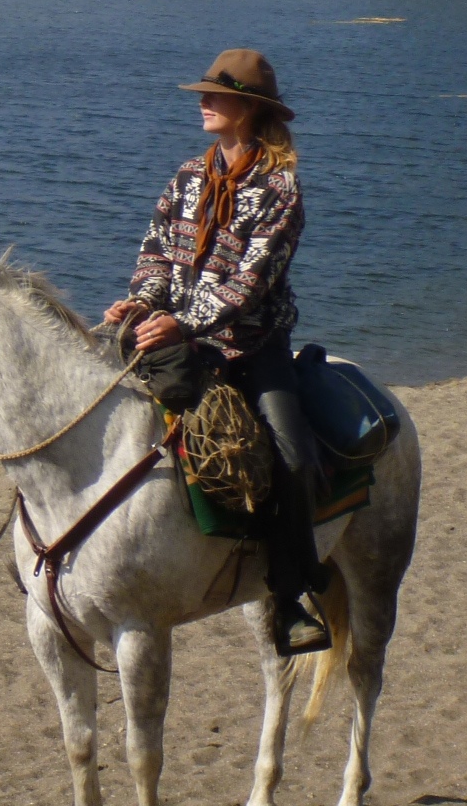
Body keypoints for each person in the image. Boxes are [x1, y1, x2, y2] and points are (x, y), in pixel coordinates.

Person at [102, 48, 333, 656]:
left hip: (251, 347)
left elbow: (249, 283)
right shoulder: (188, 176)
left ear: (248, 109)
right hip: (175, 338)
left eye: (216, 96)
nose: (203, 102)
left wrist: (182, 323)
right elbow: (156, 253)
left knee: (291, 457)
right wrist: (141, 303)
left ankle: (290, 597)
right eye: (204, 94)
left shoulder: (280, 189)